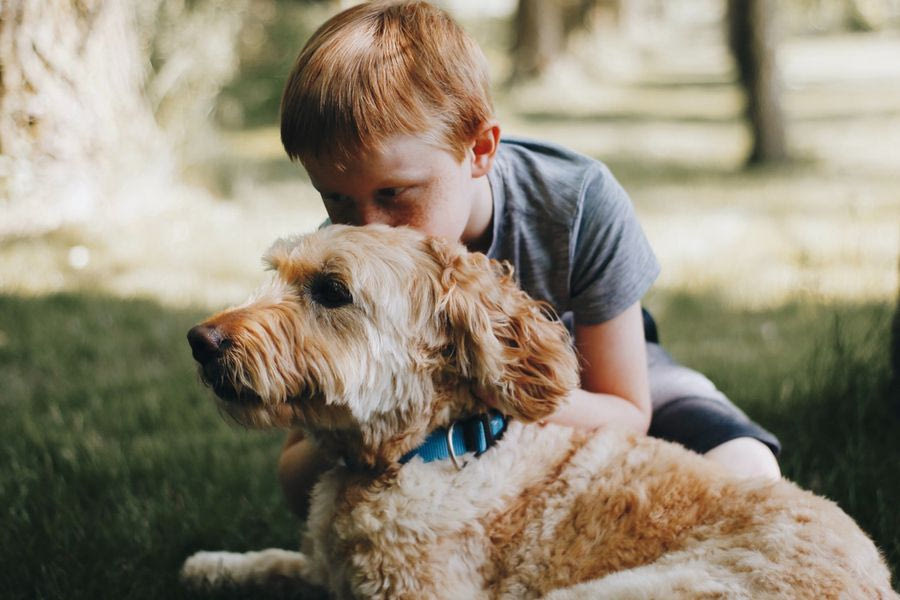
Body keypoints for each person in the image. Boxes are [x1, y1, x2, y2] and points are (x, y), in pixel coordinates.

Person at [276, 0, 781, 520]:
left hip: (590, 379)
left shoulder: (576, 202)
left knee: (748, 466)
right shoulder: (339, 270)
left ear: (479, 150)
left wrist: (488, 391)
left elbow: (627, 411)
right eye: (336, 200)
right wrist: (358, 421)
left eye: (395, 193)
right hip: (428, 425)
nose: (367, 229)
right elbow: (296, 479)